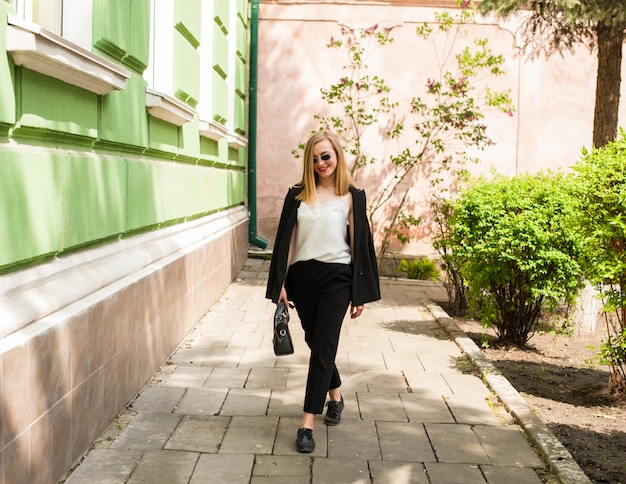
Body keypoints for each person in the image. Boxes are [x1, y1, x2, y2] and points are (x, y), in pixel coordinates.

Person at [266, 130, 381, 453]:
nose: (321, 163)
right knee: (316, 342)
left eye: (326, 156)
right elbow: (287, 242)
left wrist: (359, 294)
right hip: (303, 277)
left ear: (337, 156)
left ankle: (306, 423)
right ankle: (336, 396)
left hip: (337, 278)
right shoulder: (297, 195)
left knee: (324, 344)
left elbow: (361, 246)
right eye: (315, 158)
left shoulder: (352, 197)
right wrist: (282, 283)